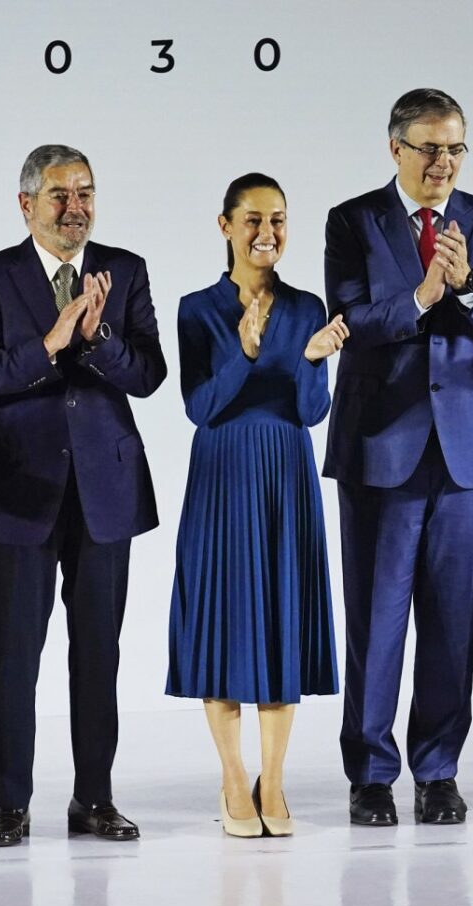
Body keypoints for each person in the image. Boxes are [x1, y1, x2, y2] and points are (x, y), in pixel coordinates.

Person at [323, 88, 473, 826]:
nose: (444, 162)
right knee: (375, 619)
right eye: (429, 147)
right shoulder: (352, 221)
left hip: (468, 450)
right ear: (395, 149)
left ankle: (437, 770)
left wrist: (467, 285)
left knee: (453, 618)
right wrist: (420, 294)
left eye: (455, 148)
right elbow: (349, 318)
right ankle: (371, 772)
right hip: (383, 446)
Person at [0, 144, 167, 846]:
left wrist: (99, 333)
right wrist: (49, 342)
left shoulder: (125, 269)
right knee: (15, 653)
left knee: (97, 651)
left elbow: (149, 374)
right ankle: (11, 802)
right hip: (18, 488)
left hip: (104, 488)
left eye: (86, 193)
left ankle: (94, 799)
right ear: (27, 205)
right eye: (59, 196)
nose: (76, 208)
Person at [167, 173, 348, 837]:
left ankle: (275, 778)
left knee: (279, 617)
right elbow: (199, 408)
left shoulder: (306, 306)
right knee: (222, 618)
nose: (266, 232)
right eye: (252, 219)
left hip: (284, 472)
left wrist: (311, 357)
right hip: (222, 472)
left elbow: (310, 410)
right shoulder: (196, 308)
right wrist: (243, 352)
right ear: (225, 226)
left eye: (278, 218)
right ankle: (233, 776)